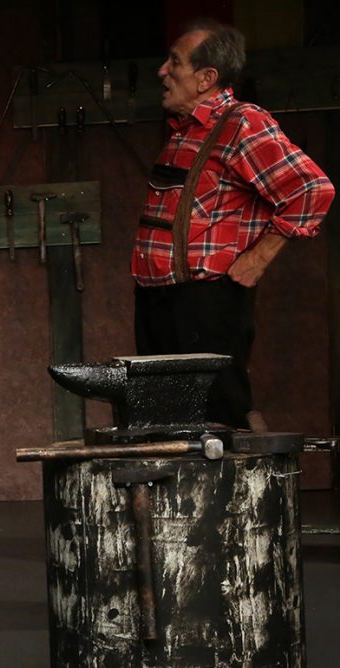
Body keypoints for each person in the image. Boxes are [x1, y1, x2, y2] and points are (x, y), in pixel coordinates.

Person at [132, 19, 334, 429]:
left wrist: (259, 258)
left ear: (206, 78)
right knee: (164, 427)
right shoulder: (184, 132)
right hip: (160, 302)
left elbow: (312, 189)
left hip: (206, 305)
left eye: (175, 62)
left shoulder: (243, 124)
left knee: (219, 425)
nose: (162, 71)